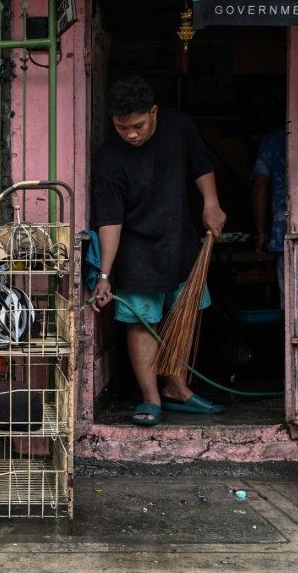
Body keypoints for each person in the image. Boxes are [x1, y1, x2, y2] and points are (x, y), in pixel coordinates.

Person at [90, 77, 227, 426]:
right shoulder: (109, 158)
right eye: (122, 127)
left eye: (137, 125)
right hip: (136, 246)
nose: (131, 134)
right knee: (141, 321)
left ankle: (178, 387)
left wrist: (211, 203)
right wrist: (104, 274)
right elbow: (109, 220)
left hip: (181, 237)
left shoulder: (178, 127)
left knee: (186, 312)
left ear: (154, 113)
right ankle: (151, 397)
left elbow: (201, 164)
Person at [251, 125, 287, 308]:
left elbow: (260, 184)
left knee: (289, 305)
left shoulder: (273, 140)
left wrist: (261, 231)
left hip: (285, 231)